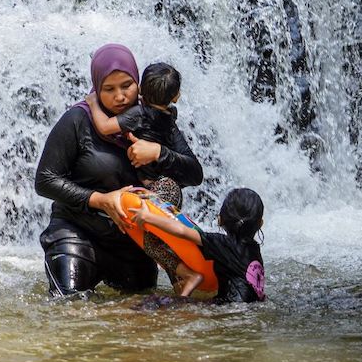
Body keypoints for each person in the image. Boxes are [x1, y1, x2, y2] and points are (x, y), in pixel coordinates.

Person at [35, 43, 204, 295]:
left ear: (140, 85)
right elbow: (45, 180)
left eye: (127, 86)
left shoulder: (154, 119)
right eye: (108, 89)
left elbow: (194, 174)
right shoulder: (78, 119)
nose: (120, 97)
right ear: (96, 87)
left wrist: (159, 152)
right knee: (68, 308)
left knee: (144, 313)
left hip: (133, 244)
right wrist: (100, 199)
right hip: (78, 233)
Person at [87, 61, 195, 290]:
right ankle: (183, 285)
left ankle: (186, 274)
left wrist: (93, 102)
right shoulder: (170, 119)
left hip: (155, 191)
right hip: (169, 188)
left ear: (140, 92)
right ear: (176, 97)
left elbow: (105, 127)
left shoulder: (138, 113)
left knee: (151, 242)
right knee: (166, 238)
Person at [133, 187, 266, 302]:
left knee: (150, 303)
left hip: (230, 309)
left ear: (219, 220)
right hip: (253, 306)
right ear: (260, 223)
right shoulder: (254, 248)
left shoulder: (223, 244)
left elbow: (182, 230)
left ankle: (189, 280)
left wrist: (147, 217)